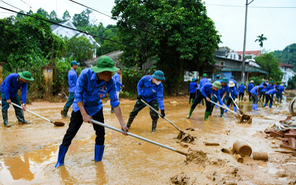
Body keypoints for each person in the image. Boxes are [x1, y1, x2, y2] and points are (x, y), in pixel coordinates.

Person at [55, 56, 128, 168]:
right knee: (70, 133)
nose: (111, 75)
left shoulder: (111, 82)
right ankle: (60, 161)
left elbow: (115, 102)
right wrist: (84, 114)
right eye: (109, 73)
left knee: (101, 134)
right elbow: (78, 95)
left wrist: (122, 124)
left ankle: (98, 161)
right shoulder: (85, 74)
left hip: (95, 107)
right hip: (80, 106)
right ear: (100, 72)